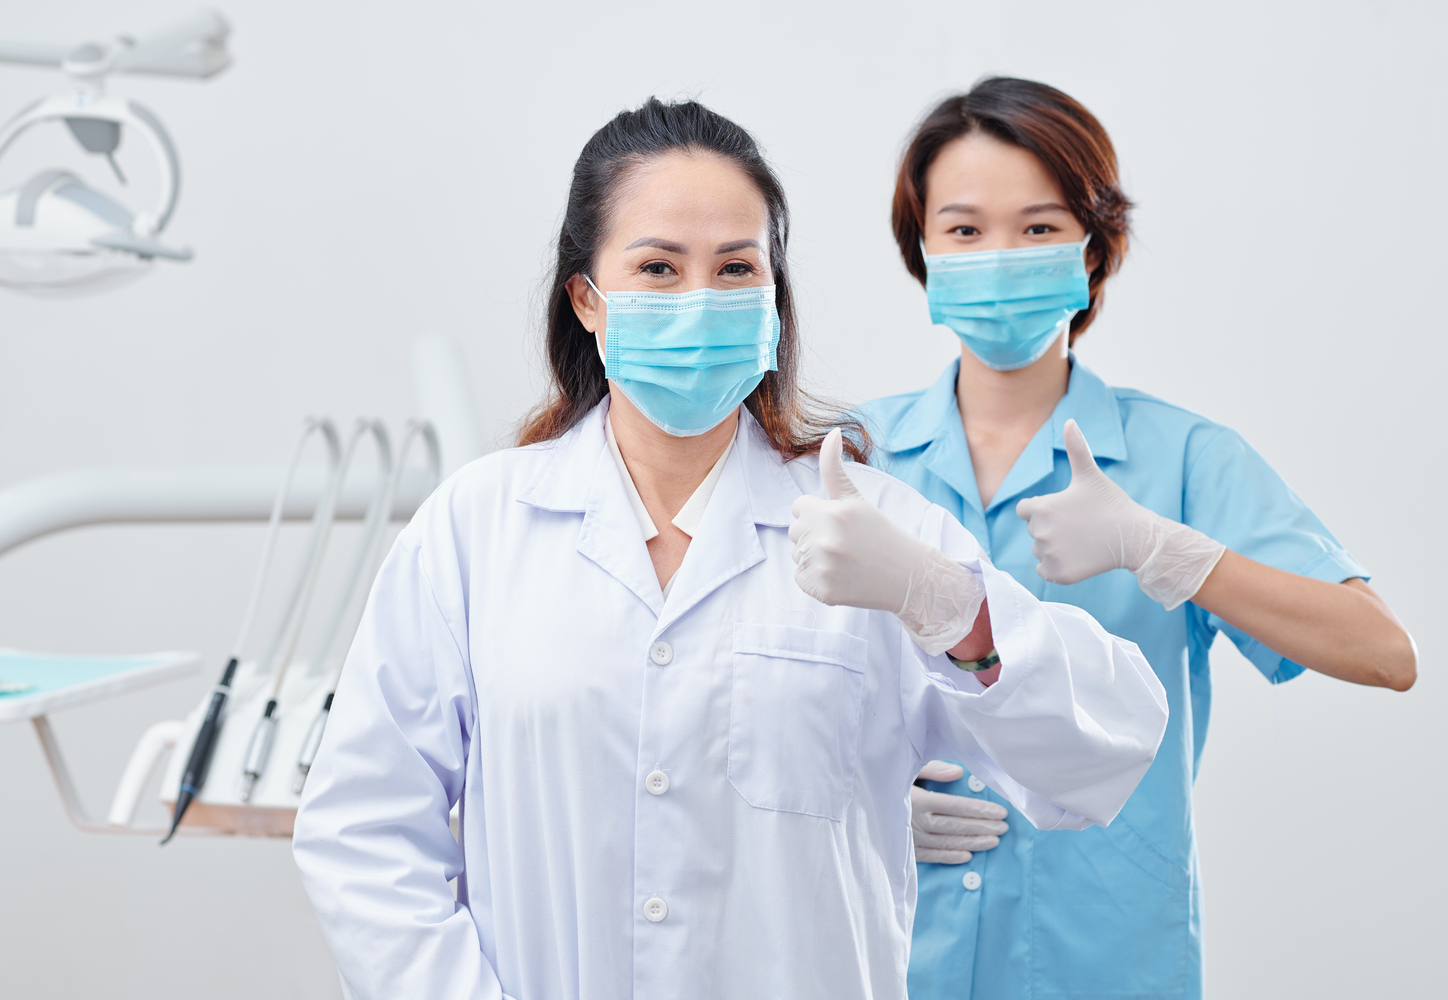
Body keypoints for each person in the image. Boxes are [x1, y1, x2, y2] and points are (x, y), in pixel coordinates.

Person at [292, 97, 1169, 999]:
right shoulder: (475, 529)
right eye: (659, 268)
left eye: (735, 268)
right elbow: (362, 828)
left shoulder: (874, 527)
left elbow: (1107, 750)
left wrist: (947, 604)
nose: (698, 299)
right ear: (588, 300)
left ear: (773, 301)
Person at [856, 77, 1417, 1000]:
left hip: (1106, 959)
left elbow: (1383, 653)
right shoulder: (854, 460)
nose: (998, 255)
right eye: (964, 230)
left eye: (1037, 227)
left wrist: (1170, 552)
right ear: (922, 249)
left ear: (1093, 248)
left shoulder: (1180, 459)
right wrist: (864, 797)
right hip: (886, 952)